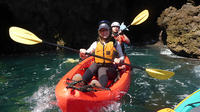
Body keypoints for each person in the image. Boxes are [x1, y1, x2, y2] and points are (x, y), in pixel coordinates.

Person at [78, 22, 124, 88]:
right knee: (95, 65)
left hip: (111, 70)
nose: (104, 32)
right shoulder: (96, 43)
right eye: (102, 31)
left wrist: (119, 59)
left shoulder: (116, 44)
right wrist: (82, 53)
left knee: (102, 69)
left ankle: (101, 87)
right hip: (98, 69)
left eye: (106, 30)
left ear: (109, 31)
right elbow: (85, 55)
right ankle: (83, 82)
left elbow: (122, 57)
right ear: (99, 32)